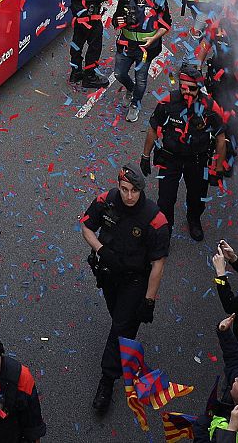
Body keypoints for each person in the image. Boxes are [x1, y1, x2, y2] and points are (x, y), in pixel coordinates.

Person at [80, 165, 168, 414]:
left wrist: (149, 301)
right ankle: (126, 347)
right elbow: (86, 227)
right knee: (120, 322)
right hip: (109, 274)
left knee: (119, 327)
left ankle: (107, 380)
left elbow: (158, 263)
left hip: (135, 280)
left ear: (141, 190)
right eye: (124, 189)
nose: (129, 196)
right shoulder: (105, 201)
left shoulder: (154, 218)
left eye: (134, 191)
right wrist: (101, 250)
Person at [142, 60, 228, 240]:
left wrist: (218, 168)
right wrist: (145, 156)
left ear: (199, 88)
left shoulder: (211, 108)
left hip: (197, 160)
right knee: (165, 199)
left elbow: (220, 139)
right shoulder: (168, 102)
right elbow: (153, 127)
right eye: (183, 87)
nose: (187, 92)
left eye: (192, 89)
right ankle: (165, 229)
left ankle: (194, 220)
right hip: (170, 158)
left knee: (197, 197)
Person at [112, 0, 172, 123]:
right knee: (119, 73)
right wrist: (117, 21)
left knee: (141, 79)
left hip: (146, 49)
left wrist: (153, 39)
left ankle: (135, 104)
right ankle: (130, 89)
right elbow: (115, 18)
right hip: (126, 46)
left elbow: (166, 24)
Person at [68, 0, 112, 88]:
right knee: (94, 46)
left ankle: (75, 72)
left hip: (78, 12)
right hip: (90, 15)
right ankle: (90, 77)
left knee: (77, 43)